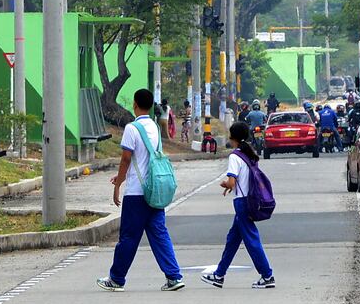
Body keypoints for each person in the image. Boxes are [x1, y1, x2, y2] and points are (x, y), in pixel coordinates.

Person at [97, 88, 185, 292]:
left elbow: (127, 158)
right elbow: (146, 159)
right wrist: (120, 177)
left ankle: (116, 278)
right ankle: (173, 276)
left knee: (128, 237)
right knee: (159, 235)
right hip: (154, 191)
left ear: (135, 104)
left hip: (136, 193)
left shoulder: (132, 128)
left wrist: (118, 184)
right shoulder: (154, 126)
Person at [201, 122, 276, 289]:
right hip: (248, 200)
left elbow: (232, 181)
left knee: (251, 239)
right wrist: (232, 186)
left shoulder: (235, 156)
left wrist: (225, 185)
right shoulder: (248, 154)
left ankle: (267, 275)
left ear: (232, 137)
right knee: (233, 239)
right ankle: (219, 274)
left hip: (242, 203)